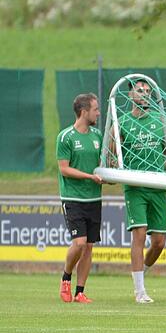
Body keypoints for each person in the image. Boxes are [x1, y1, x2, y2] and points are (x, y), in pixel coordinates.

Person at [119, 79, 166, 303]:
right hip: (135, 189)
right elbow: (112, 156)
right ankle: (139, 291)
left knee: (159, 242)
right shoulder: (120, 123)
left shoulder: (162, 121)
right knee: (138, 234)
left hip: (157, 188)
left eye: (148, 91)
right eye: (140, 91)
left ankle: (142, 271)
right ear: (130, 95)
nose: (145, 94)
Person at [57, 93, 105, 303]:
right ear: (84, 112)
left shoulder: (97, 136)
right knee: (79, 243)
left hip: (94, 199)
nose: (98, 112)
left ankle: (80, 292)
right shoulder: (65, 137)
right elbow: (64, 169)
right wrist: (89, 177)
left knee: (89, 246)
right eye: (95, 109)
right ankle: (66, 277)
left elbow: (104, 163)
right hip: (73, 198)